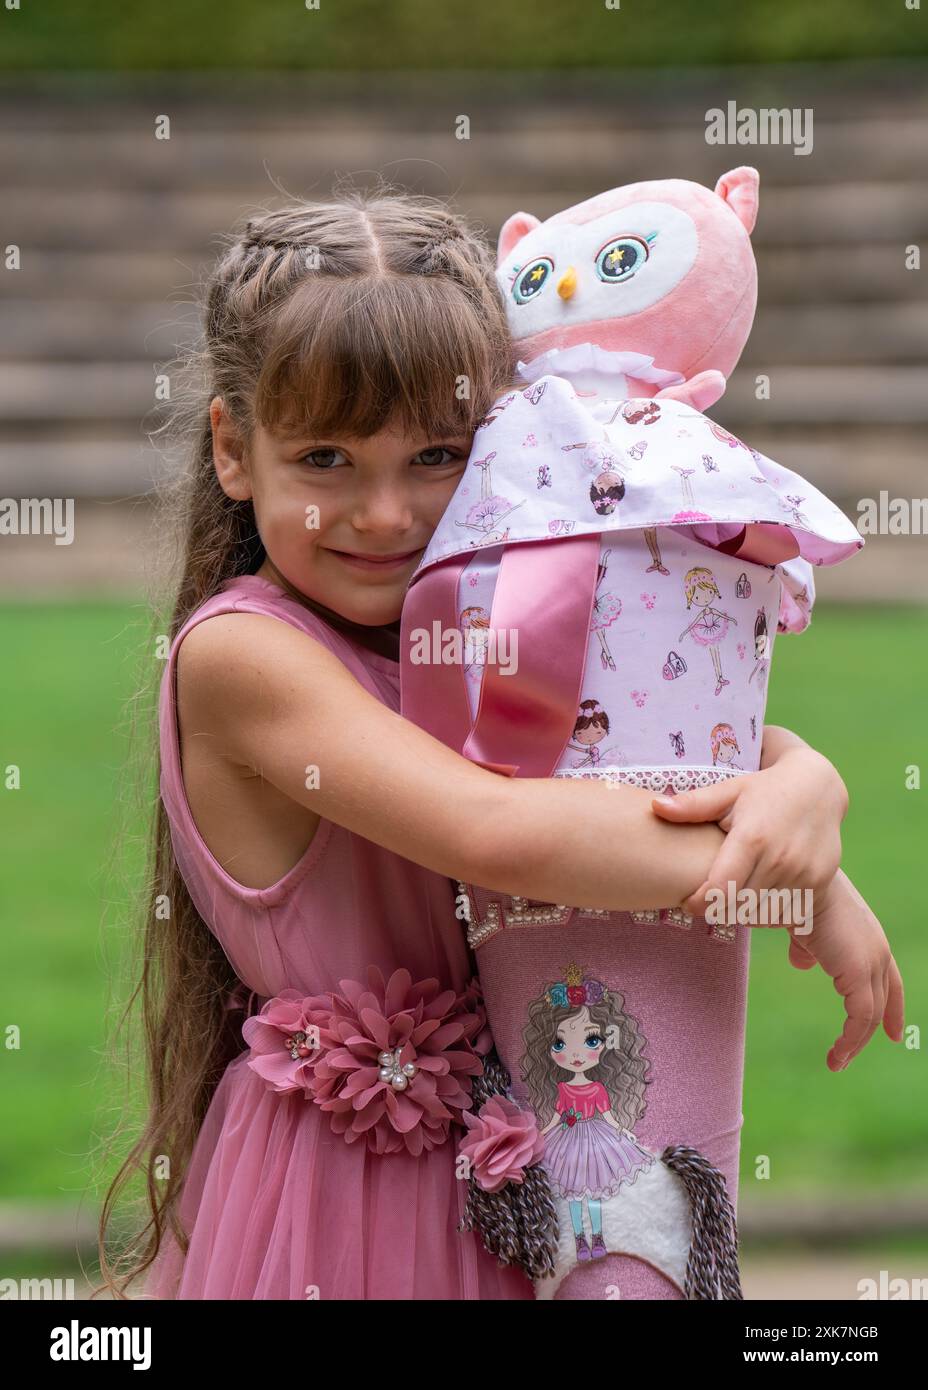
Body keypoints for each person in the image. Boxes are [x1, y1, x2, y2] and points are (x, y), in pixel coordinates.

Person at [94, 186, 901, 1301]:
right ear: (235, 448)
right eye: (325, 459)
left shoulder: (478, 638)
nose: (385, 514)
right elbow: (497, 828)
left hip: (525, 1174)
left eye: (435, 456)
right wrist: (792, 884)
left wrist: (799, 775)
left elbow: (628, 751)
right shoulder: (244, 657)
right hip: (351, 1207)